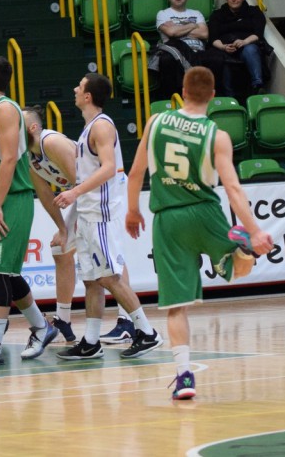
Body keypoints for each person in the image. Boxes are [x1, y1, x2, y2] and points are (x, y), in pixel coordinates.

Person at [126, 66, 273, 400]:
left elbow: (135, 173)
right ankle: (241, 247)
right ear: (213, 95)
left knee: (177, 307)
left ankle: (184, 377)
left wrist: (133, 210)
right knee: (237, 269)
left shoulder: (156, 121)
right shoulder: (216, 135)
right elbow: (233, 188)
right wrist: (255, 230)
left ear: (182, 89)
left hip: (167, 218)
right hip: (205, 212)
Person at [52, 73, 162, 361]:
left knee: (111, 278)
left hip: (100, 214)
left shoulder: (101, 126)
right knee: (91, 280)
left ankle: (147, 332)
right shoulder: (89, 127)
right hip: (87, 214)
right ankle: (90, 341)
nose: (75, 88)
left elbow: (109, 167)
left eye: (80, 85)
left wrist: (74, 193)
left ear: (88, 96)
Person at [0, 56, 59, 367]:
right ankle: (41, 327)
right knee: (7, 270)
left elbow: (8, 161)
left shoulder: (5, 109)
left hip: (12, 201)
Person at [22, 105, 77, 343]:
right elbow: (44, 193)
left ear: (33, 127)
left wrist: (69, 228)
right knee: (60, 250)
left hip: (105, 190)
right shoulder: (28, 155)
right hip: (82, 193)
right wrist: (63, 228)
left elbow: (84, 180)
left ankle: (129, 320)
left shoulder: (51, 142)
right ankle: (63, 320)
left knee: (108, 254)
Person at [152, 0, 225, 99]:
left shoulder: (196, 13)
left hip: (198, 51)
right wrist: (193, 25)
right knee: (167, 60)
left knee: (217, 58)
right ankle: (174, 98)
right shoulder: (163, 14)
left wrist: (177, 29)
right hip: (176, 52)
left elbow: (205, 33)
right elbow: (171, 33)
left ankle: (213, 97)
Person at [208, 0, 272, 97]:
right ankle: (229, 98)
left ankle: (257, 86)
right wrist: (223, 47)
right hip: (224, 50)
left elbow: (258, 34)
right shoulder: (217, 15)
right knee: (221, 59)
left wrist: (244, 41)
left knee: (251, 49)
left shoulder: (254, 12)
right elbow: (213, 38)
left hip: (246, 46)